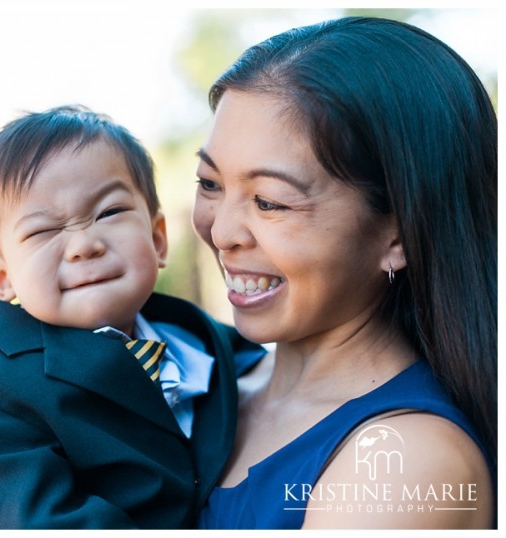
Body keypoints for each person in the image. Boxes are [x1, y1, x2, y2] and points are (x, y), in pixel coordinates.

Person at [191, 16, 496, 529]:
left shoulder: (405, 466)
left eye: (268, 202)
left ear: (397, 235)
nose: (222, 232)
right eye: (210, 183)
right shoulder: (208, 377)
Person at [0, 105, 264, 529]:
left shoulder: (195, 335)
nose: (84, 244)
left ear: (157, 239)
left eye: (109, 213)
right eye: (43, 231)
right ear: (3, 276)